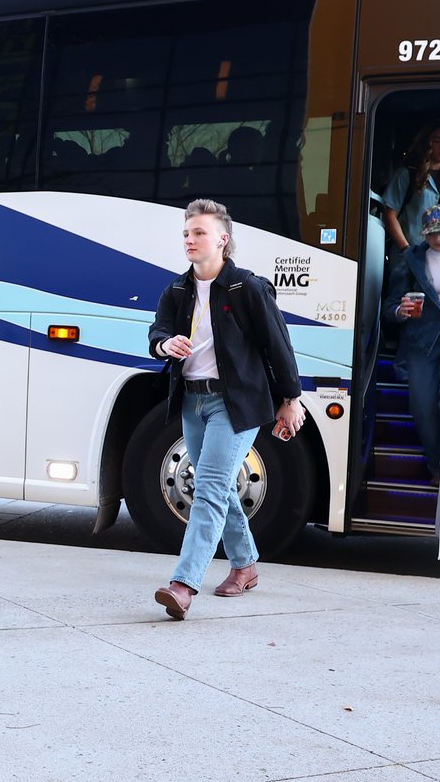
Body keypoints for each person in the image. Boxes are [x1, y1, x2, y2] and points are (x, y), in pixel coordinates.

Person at [147, 199, 304, 620]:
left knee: (210, 488)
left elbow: (278, 346)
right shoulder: (177, 289)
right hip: (192, 401)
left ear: (223, 239)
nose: (190, 240)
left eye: (199, 233)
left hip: (234, 404)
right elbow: (156, 331)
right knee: (215, 487)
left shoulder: (246, 288)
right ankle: (245, 565)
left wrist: (290, 399)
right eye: (186, 233)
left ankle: (183, 585)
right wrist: (165, 344)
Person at [382, 204, 440, 485]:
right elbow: (389, 306)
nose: (438, 239)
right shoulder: (410, 259)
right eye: (432, 233)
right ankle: (436, 464)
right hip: (419, 343)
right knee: (423, 406)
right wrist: (401, 311)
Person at [381, 119, 440, 254]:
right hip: (410, 255)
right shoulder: (407, 174)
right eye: (437, 141)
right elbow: (389, 215)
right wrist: (406, 249)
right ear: (427, 143)